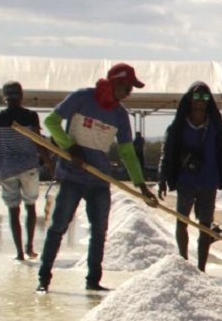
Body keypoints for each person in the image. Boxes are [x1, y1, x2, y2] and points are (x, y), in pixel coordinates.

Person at [36, 63, 157, 293]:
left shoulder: (120, 116)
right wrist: (70, 147)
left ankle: (93, 281)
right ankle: (44, 278)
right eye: (128, 87)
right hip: (72, 177)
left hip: (99, 180)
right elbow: (51, 121)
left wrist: (141, 186)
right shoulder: (82, 98)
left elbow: (127, 152)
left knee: (99, 232)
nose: (130, 92)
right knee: (58, 227)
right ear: (116, 82)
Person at [157, 82, 222, 272]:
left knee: (205, 225)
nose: (200, 102)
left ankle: (201, 269)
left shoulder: (215, 127)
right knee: (182, 220)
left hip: (208, 180)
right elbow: (168, 153)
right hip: (185, 180)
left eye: (205, 98)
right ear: (190, 99)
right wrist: (162, 178)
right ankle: (183, 263)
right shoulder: (179, 126)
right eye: (196, 97)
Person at [0, 82, 50, 260]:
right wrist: (49, 163)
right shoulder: (31, 116)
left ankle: (19, 253)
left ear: (4, 98)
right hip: (29, 168)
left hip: (7, 169)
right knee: (30, 206)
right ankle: (29, 247)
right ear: (21, 96)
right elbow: (39, 143)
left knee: (13, 209)